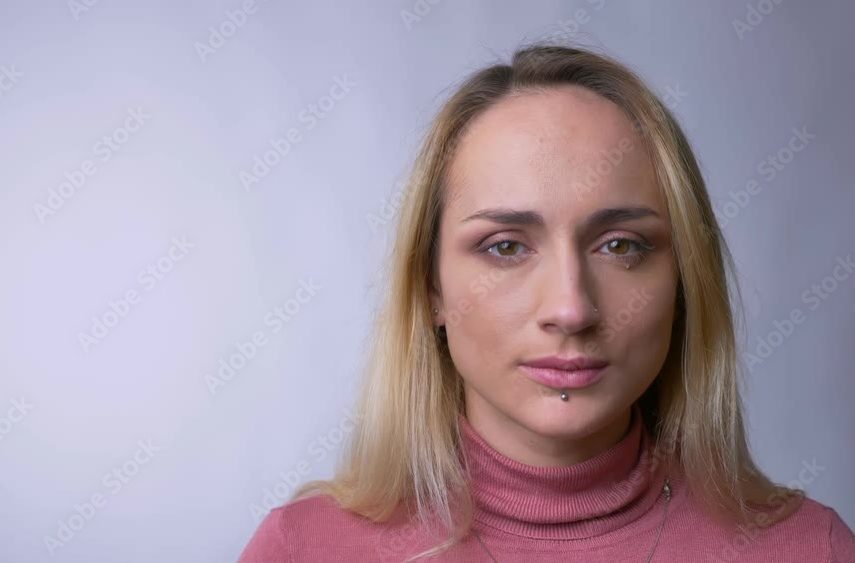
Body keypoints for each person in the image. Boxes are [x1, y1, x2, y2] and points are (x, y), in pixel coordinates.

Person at [239, 43, 855, 562]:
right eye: (505, 247)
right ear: (431, 289)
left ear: (684, 280)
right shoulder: (305, 549)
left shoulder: (808, 549)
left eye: (621, 245)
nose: (570, 309)